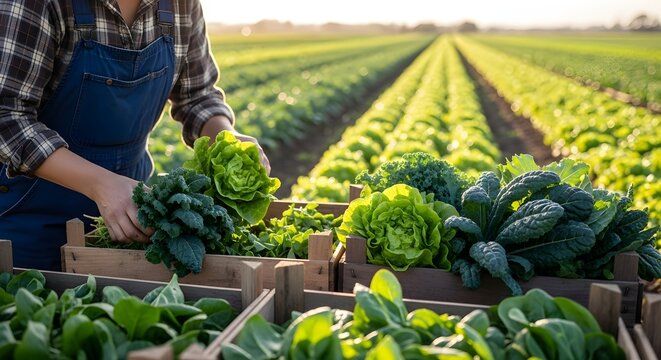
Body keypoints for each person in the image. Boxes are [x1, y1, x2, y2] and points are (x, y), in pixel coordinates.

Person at [0, 0, 270, 271]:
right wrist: (101, 185)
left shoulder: (181, 5)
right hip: (30, 225)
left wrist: (227, 139)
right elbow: (7, 117)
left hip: (134, 223)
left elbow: (197, 95)